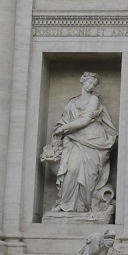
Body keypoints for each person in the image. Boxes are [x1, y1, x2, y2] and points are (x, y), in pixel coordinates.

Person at [41, 73, 118, 214]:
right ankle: (64, 203)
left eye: (94, 85)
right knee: (72, 169)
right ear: (82, 81)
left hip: (93, 139)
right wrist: (61, 129)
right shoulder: (72, 102)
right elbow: (64, 120)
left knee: (89, 174)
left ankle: (83, 204)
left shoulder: (94, 99)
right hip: (75, 139)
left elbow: (85, 120)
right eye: (89, 82)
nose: (91, 86)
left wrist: (63, 128)